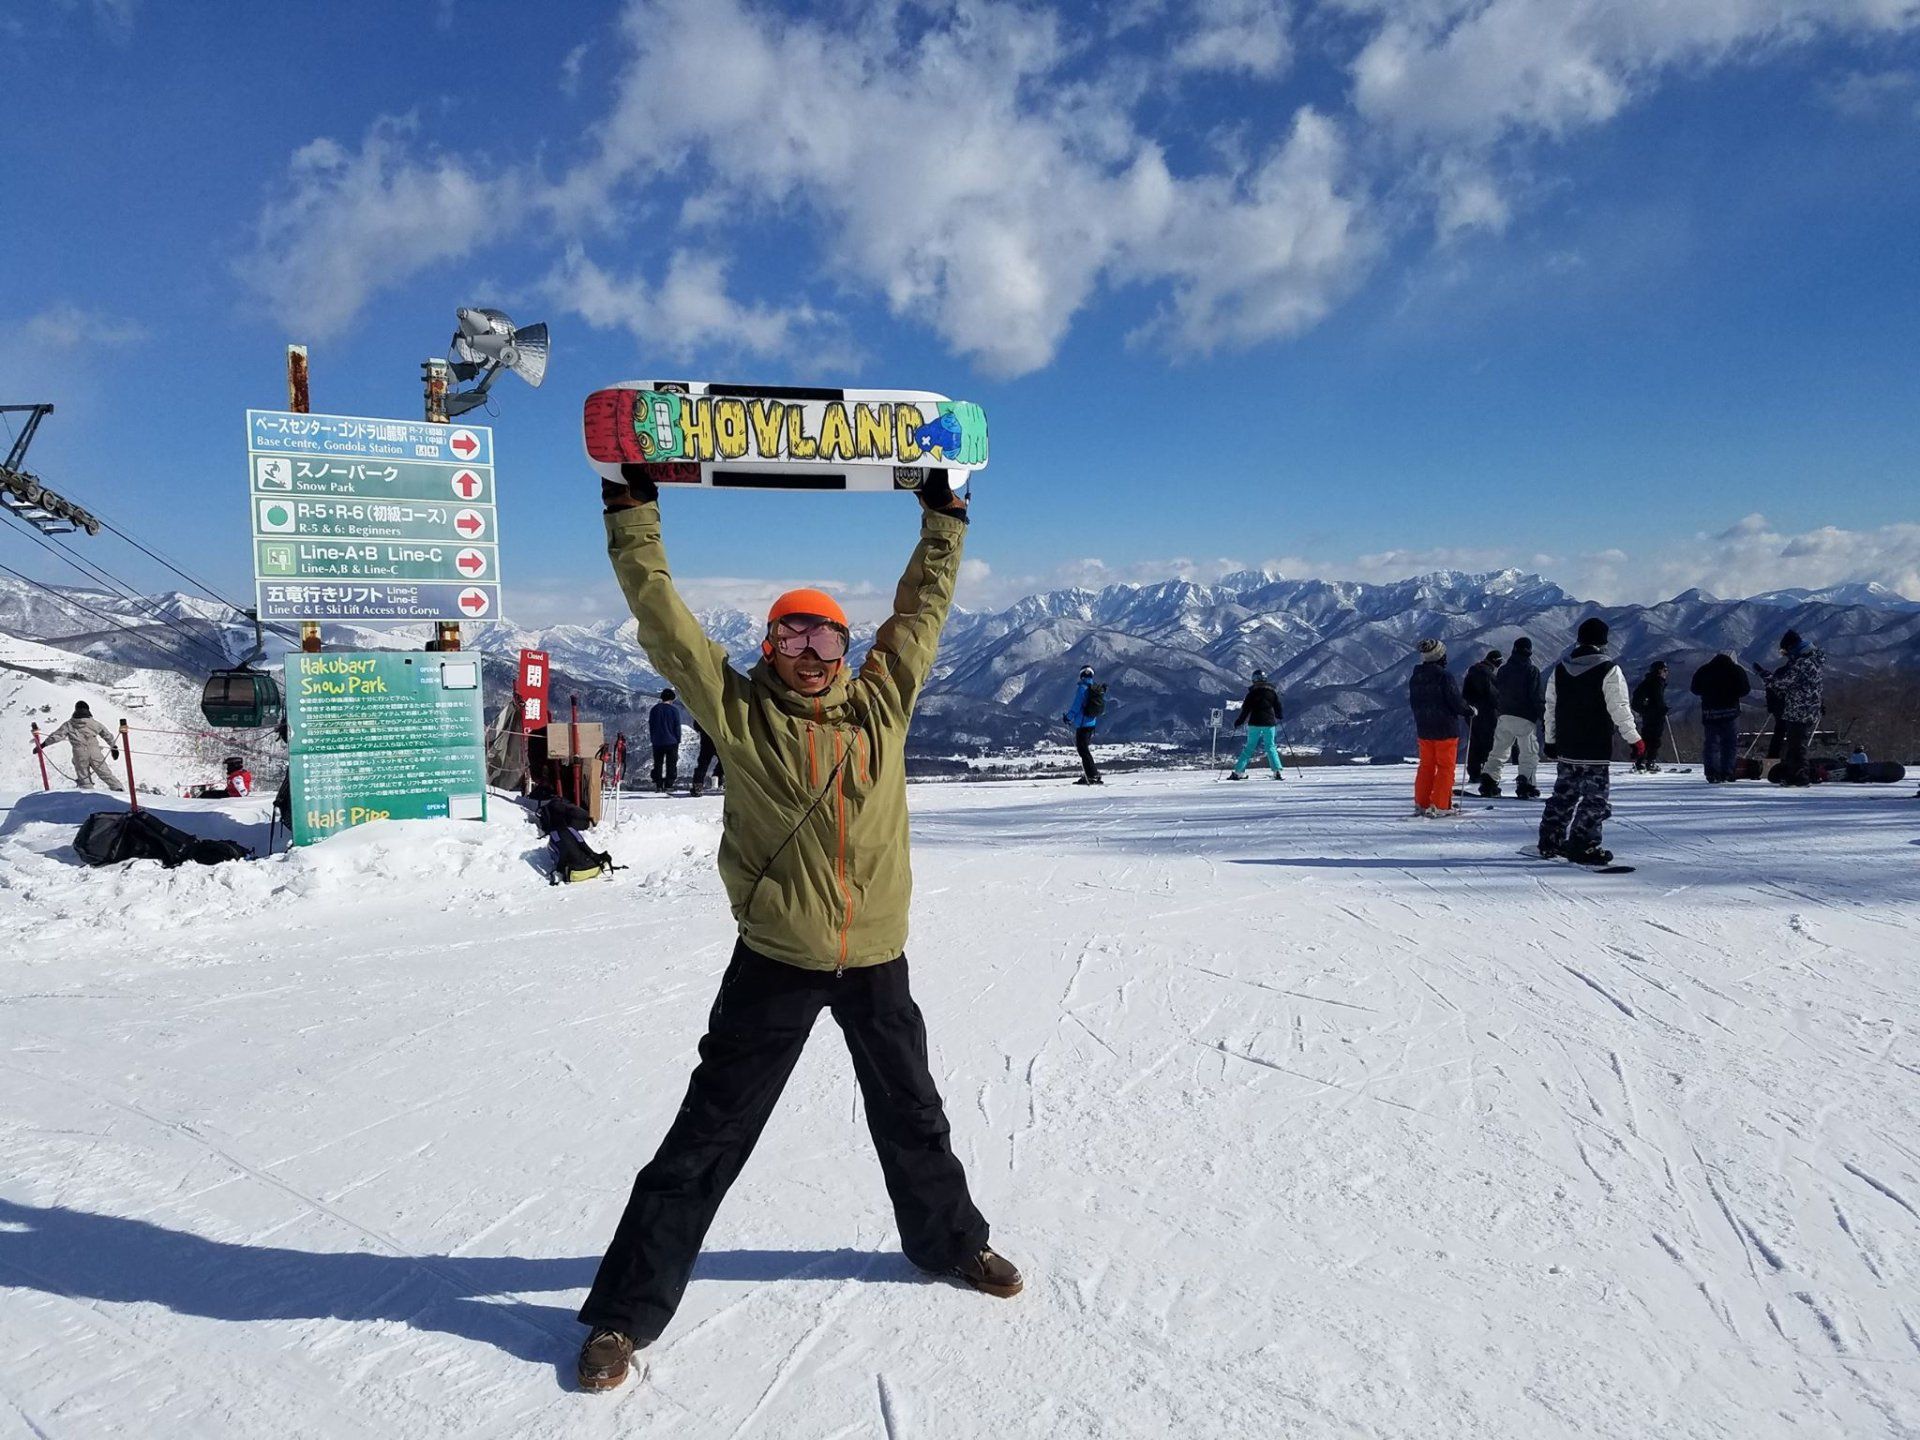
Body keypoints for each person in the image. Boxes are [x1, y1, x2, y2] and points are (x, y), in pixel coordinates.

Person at [576, 465, 1018, 1394]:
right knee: (706, 1136)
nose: (808, 650)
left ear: (848, 648)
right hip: (777, 960)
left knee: (914, 1115)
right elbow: (663, 620)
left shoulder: (883, 702)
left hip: (877, 959)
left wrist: (946, 515)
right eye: (789, 633)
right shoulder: (739, 714)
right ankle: (622, 1315)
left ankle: (950, 1245)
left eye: (824, 635)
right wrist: (631, 509)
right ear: (768, 646)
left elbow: (924, 606)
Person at [1539, 618, 1644, 866]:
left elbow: (1551, 707)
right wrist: (1634, 738)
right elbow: (1619, 708)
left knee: (1563, 795)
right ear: (1603, 642)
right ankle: (1582, 844)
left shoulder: (1560, 669)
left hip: (1566, 745)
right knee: (1594, 799)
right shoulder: (1609, 670)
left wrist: (1551, 739)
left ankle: (1550, 840)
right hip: (1594, 746)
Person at [1408, 639, 1473, 816]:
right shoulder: (1444, 676)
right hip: (1445, 728)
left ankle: (1421, 803)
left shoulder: (1416, 677)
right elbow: (1455, 701)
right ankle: (1441, 804)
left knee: (1426, 766)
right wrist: (1469, 710)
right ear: (1439, 656)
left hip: (1424, 728)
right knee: (1445, 767)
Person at [1483, 637, 1544, 799]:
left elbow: (1497, 691)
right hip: (1525, 717)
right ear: (1529, 652)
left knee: (1499, 750)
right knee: (1528, 753)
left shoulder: (1503, 670)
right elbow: (1536, 696)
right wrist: (1544, 717)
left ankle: (1489, 779)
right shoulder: (1532, 671)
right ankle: (1526, 783)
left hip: (1504, 715)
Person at [1771, 630, 1826, 787]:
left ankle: (1800, 776)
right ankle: (1795, 773)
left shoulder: (1802, 663)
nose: (1785, 655)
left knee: (1796, 745)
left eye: (1784, 651)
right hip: (1809, 708)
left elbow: (1782, 683)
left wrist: (1767, 677)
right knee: (1796, 744)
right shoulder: (1814, 660)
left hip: (1799, 709)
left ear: (1790, 647)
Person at [1688, 652, 1751, 783]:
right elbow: (1745, 689)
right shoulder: (1736, 670)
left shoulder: (1704, 670)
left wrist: (1708, 693)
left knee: (1712, 742)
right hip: (1730, 712)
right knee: (1730, 743)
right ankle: (1727, 772)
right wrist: (1733, 694)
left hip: (1710, 712)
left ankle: (1712, 772)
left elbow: (1694, 689)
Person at [38, 701, 121, 791]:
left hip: (79, 752)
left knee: (83, 776)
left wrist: (43, 744)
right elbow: (106, 735)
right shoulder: (95, 723)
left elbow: (57, 736)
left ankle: (88, 794)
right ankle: (118, 789)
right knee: (105, 772)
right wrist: (113, 747)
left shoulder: (69, 724)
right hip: (95, 751)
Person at [1227, 667, 1284, 780]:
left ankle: (1238, 772)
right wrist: (1279, 716)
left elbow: (1246, 710)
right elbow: (1278, 707)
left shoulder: (1251, 694)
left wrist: (1239, 722)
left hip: (1255, 723)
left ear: (1254, 680)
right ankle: (1277, 771)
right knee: (1271, 747)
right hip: (1269, 723)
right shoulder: (1272, 693)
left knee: (1249, 747)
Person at [1462, 649, 1502, 794]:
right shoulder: (1487, 674)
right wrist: (1501, 707)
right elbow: (1493, 695)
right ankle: (1487, 773)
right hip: (1487, 713)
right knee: (1488, 742)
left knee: (1475, 741)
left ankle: (1474, 772)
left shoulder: (1472, 672)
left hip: (1472, 713)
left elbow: (1464, 693)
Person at [1063, 665, 1104, 785]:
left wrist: (1068, 718)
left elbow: (1076, 706)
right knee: (1084, 750)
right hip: (1092, 723)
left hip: (1083, 724)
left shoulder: (1082, 688)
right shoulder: (1094, 688)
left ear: (1081, 676)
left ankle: (1092, 775)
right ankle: (1091, 774)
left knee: (1083, 750)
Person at [1629, 661, 1671, 772]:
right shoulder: (1657, 682)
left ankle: (1640, 761)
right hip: (1656, 714)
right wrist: (1663, 709)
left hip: (1647, 714)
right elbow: (1658, 699)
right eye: (1665, 670)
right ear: (1659, 671)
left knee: (1646, 737)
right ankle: (1650, 762)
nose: (1666, 673)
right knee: (1654, 739)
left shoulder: (1647, 681)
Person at [648, 688, 683, 792]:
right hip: (671, 741)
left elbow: (651, 724)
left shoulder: (654, 709)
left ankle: (658, 785)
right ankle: (669, 785)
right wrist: (678, 738)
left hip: (657, 741)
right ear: (672, 699)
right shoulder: (674, 710)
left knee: (658, 763)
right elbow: (677, 726)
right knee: (671, 763)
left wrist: (653, 737)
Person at [688, 715, 724, 797]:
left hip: (706, 740)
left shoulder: (702, 711)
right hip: (719, 740)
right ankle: (719, 779)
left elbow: (696, 726)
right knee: (724, 762)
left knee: (703, 764)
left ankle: (697, 785)